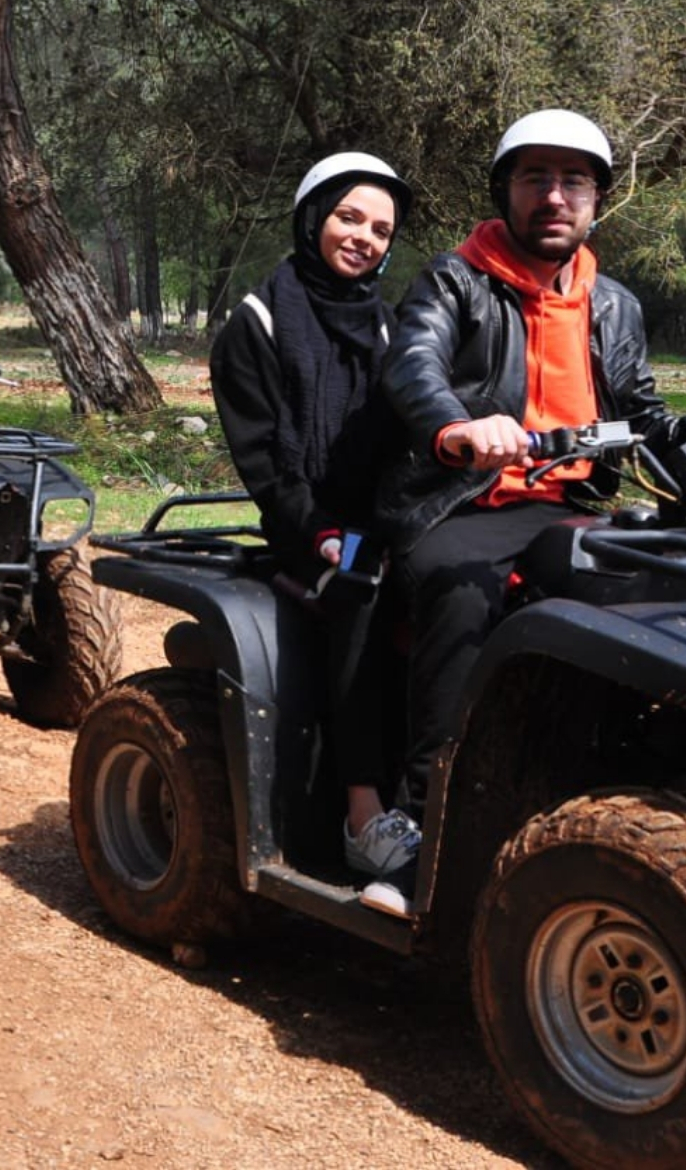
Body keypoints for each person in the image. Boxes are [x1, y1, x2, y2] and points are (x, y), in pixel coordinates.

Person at [375, 108, 686, 914]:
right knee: (462, 594)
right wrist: (459, 429)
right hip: (460, 502)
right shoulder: (454, 278)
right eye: (536, 178)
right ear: (506, 191)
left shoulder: (613, 304)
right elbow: (413, 366)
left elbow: (646, 418)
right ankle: (418, 829)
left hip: (571, 504)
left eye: (573, 180)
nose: (554, 196)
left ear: (597, 198)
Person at [210, 151, 417, 901]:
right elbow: (264, 461)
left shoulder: (391, 327)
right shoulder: (258, 321)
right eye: (349, 217)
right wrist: (322, 529)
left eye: (382, 229)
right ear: (313, 217)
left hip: (387, 516)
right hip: (309, 528)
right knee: (360, 584)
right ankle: (364, 813)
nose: (365, 237)